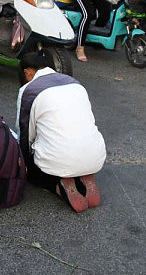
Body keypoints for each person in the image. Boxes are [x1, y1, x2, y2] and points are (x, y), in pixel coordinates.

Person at [16, 51, 107, 213]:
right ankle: (82, 176)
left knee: (34, 169)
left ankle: (59, 186)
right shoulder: (75, 83)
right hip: (95, 153)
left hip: (60, 158)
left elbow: (25, 134)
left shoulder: (28, 90)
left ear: (27, 72)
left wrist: (23, 163)